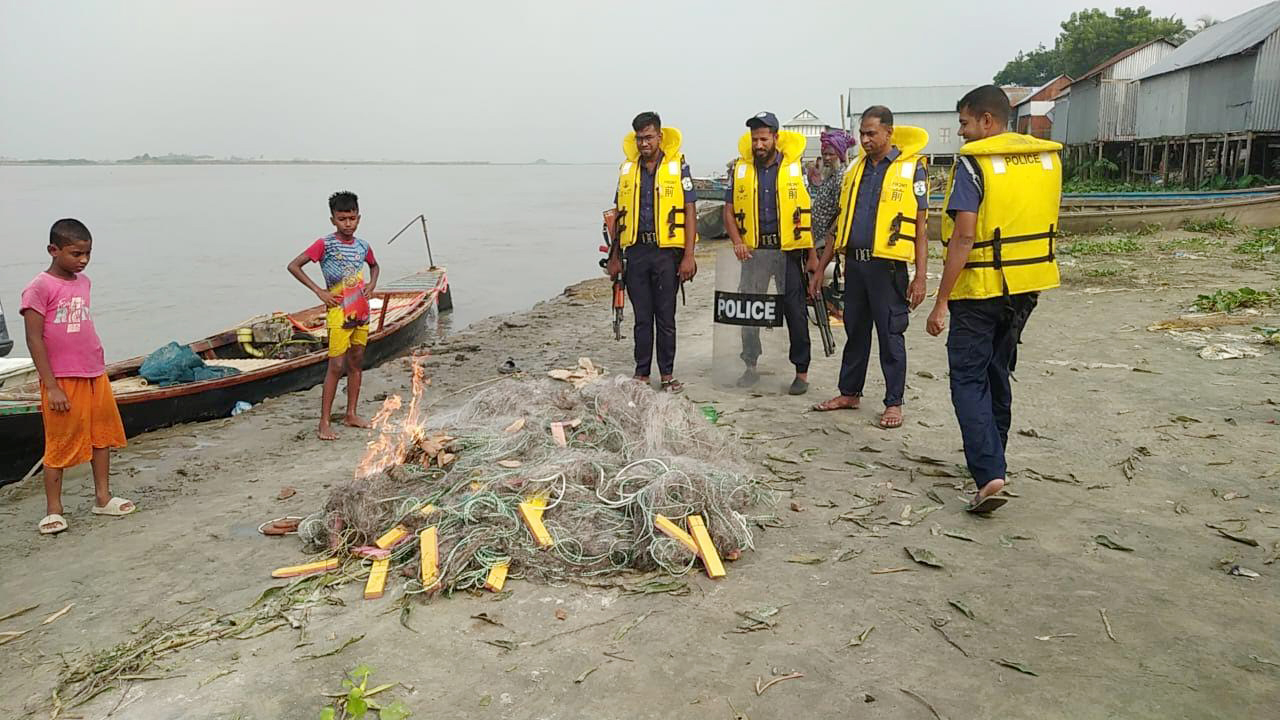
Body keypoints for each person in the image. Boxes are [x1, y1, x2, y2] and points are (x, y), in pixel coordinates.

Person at [925, 85, 1063, 513]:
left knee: (968, 378)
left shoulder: (974, 164)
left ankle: (988, 474)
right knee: (998, 372)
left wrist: (940, 300)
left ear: (987, 121)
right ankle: (995, 458)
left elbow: (964, 235)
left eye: (965, 123)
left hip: (980, 288)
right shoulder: (1046, 159)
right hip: (1028, 285)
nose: (962, 133)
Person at [810, 107, 929, 429]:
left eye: (871, 133)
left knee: (891, 336)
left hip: (888, 269)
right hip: (856, 267)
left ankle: (893, 403)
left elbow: (920, 227)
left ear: (889, 133)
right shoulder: (855, 171)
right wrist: (821, 269)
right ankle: (849, 392)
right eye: (862, 133)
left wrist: (920, 277)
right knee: (855, 332)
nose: (865, 139)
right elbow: (838, 224)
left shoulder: (911, 169)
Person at [21, 219, 134, 535]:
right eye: (75, 254)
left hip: (93, 372)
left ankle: (102, 497)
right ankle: (53, 509)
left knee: (102, 436)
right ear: (53, 250)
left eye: (87, 254)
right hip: (63, 377)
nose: (82, 260)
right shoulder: (39, 287)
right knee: (59, 442)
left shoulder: (83, 282)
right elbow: (34, 338)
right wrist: (52, 385)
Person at [723, 111, 816, 395]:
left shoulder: (793, 169)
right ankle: (750, 366)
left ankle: (801, 372)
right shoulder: (740, 170)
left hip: (787, 251)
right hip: (754, 252)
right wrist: (737, 240)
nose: (759, 144)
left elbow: (805, 213)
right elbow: (728, 211)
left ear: (775, 138)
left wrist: (812, 254)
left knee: (795, 312)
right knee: (749, 310)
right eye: (754, 139)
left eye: (764, 138)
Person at [605, 111, 698, 392]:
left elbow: (690, 210)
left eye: (648, 137)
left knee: (665, 316)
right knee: (642, 317)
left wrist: (689, 255)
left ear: (659, 137)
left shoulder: (678, 167)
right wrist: (614, 257)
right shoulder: (627, 170)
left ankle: (667, 375)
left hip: (666, 253)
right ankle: (642, 373)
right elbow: (619, 217)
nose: (644, 143)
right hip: (636, 252)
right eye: (639, 138)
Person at [288, 191, 380, 440]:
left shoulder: (363, 246)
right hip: (338, 311)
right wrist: (319, 291)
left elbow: (374, 265)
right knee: (336, 365)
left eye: (351, 218)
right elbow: (294, 265)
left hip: (360, 310)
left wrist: (372, 284)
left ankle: (351, 413)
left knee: (357, 360)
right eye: (342, 219)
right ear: (333, 220)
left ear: (359, 218)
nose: (347, 224)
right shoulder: (325, 244)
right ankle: (324, 422)